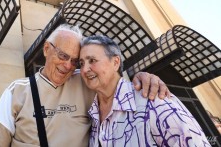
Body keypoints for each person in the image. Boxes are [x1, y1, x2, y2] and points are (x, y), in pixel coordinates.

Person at [0, 24, 170, 147]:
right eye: (63, 56)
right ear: (47, 49)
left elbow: (115, 83)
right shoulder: (17, 89)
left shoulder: (86, 82)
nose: (67, 66)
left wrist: (142, 77)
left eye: (75, 61)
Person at [79, 35, 211, 146]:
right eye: (82, 63)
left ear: (115, 62)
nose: (85, 70)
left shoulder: (154, 99)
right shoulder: (93, 114)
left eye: (92, 60)